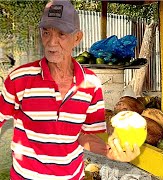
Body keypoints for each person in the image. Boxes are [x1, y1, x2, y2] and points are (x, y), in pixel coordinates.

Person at [0, 0, 140, 179]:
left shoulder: (91, 84)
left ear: (77, 38)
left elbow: (84, 136)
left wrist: (109, 151)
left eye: (61, 34)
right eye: (46, 32)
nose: (51, 42)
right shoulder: (19, 79)